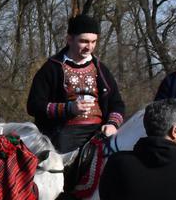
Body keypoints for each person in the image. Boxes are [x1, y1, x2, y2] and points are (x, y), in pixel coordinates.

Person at [26, 14, 125, 153]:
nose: (89, 47)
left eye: (93, 42)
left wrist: (113, 124)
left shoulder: (101, 69)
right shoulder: (51, 68)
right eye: (84, 41)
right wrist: (69, 108)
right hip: (63, 132)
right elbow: (34, 105)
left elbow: (117, 103)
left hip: (99, 130)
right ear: (70, 39)